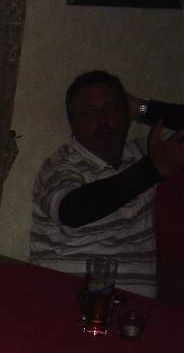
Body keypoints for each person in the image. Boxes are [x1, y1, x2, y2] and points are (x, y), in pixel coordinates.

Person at [30, 70, 184, 296]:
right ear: (73, 124)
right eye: (88, 113)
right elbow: (73, 210)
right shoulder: (61, 166)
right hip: (68, 304)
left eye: (111, 109)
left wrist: (143, 109)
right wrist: (152, 170)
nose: (101, 120)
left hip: (137, 310)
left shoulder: (146, 153)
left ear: (126, 115)